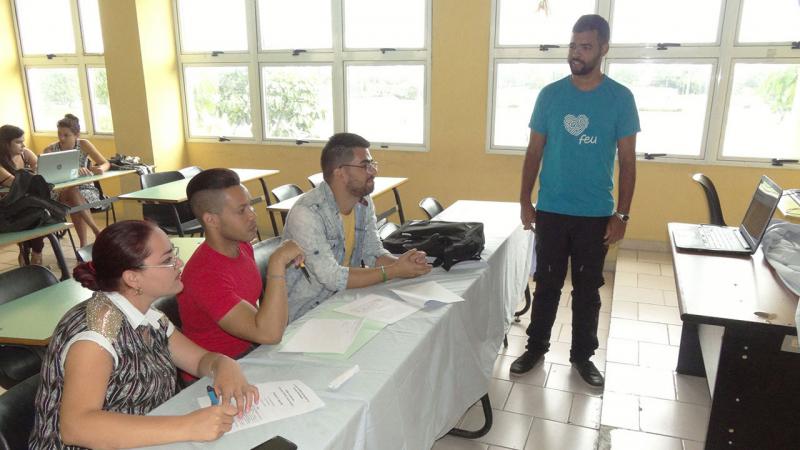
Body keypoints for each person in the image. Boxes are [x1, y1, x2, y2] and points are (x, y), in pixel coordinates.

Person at [29, 220, 258, 449]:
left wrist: (223, 364)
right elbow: (76, 428)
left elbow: (198, 360)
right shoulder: (95, 337)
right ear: (133, 278)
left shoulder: (147, 314)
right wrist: (188, 426)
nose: (179, 263)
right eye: (167, 260)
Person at [512, 14, 639, 387]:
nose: (576, 54)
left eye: (585, 47)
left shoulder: (620, 98)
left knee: (588, 290)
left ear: (603, 49)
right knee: (547, 283)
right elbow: (533, 153)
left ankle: (583, 356)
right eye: (572, 46)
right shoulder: (550, 95)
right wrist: (525, 200)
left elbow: (628, 163)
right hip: (551, 210)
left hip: (595, 215)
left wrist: (622, 215)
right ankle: (536, 347)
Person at [283, 132, 432, 322]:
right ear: (340, 172)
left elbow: (373, 252)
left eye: (372, 164)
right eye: (365, 166)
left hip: (345, 301)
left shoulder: (363, 202)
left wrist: (402, 263)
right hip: (306, 314)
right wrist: (394, 271)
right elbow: (333, 277)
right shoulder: (307, 214)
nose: (373, 171)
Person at [178, 168, 304, 362]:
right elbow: (269, 334)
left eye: (250, 206)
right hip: (216, 375)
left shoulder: (242, 246)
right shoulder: (204, 275)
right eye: (241, 211)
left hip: (251, 353)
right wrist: (277, 266)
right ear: (211, 220)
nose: (252, 215)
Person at [43, 114, 111, 248]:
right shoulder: (50, 150)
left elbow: (105, 163)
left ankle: (83, 245)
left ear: (76, 135)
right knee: (71, 192)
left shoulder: (84, 144)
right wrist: (73, 171)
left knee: (73, 198)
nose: (61, 138)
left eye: (66, 135)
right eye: (59, 134)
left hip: (86, 189)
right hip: (59, 192)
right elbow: (46, 176)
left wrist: (100, 169)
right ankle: (96, 231)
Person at [0, 124, 45, 266]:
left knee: (38, 210)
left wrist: (35, 174)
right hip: (6, 208)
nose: (23, 145)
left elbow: (42, 170)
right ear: (5, 143)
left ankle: (32, 253)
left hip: (23, 203)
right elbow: (15, 183)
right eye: (18, 142)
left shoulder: (25, 153)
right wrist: (33, 175)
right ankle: (34, 253)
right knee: (37, 211)